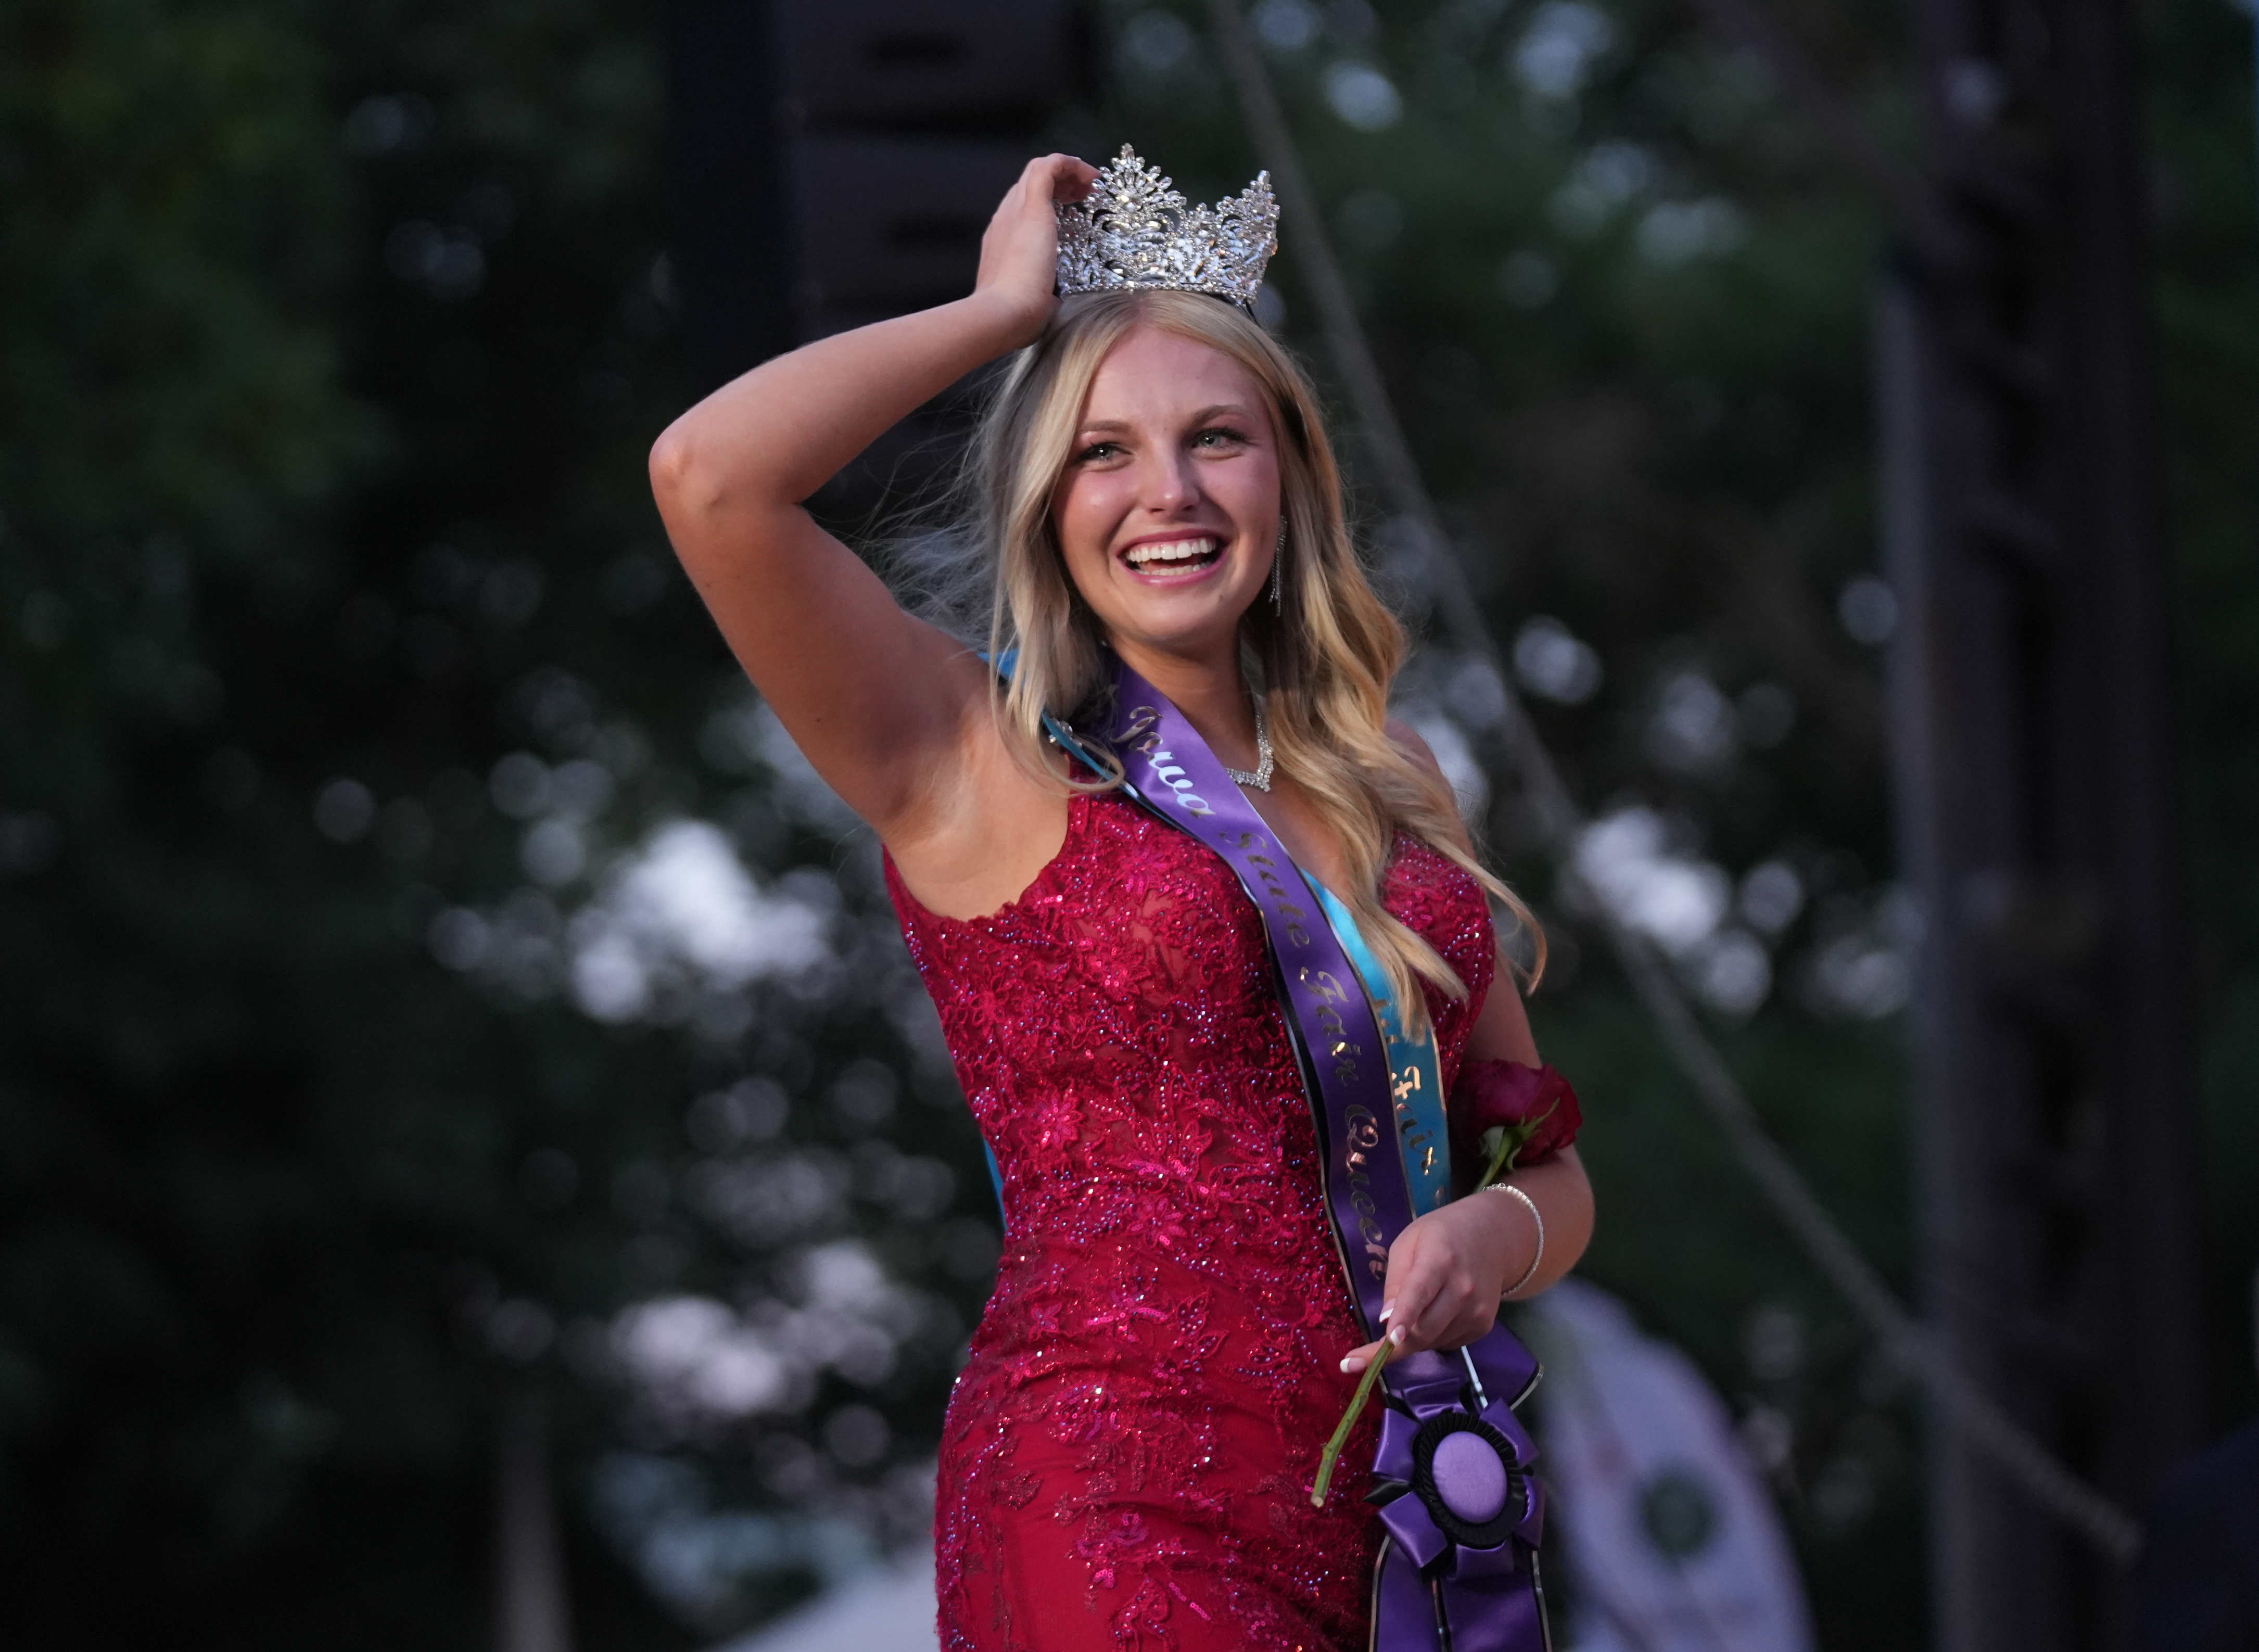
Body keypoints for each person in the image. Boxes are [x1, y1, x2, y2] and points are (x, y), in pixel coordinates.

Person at [650, 150, 1595, 1652]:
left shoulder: (1391, 773)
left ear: (1285, 472)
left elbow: (1548, 1169)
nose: (1166, 492)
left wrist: (1491, 1235)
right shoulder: (967, 752)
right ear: (1045, 497)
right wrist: (989, 314)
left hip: (1388, 1515)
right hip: (1109, 1501)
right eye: (1103, 451)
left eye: (1214, 438)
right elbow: (709, 478)